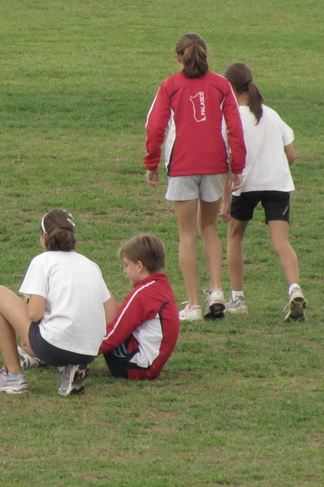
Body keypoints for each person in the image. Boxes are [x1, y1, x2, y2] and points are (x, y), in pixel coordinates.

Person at [144, 33, 247, 322]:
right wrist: (236, 166)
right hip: (214, 163)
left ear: (179, 57)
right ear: (205, 55)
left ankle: (193, 304)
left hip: (182, 164)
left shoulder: (170, 86)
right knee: (209, 228)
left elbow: (155, 128)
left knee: (186, 235)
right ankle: (216, 290)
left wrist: (151, 163)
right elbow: (235, 128)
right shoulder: (221, 84)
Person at [0, 209, 118, 396]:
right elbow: (112, 314)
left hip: (55, 347)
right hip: (89, 351)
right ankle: (67, 368)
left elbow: (34, 314)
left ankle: (13, 377)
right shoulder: (90, 265)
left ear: (44, 236)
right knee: (32, 342)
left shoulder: (43, 261)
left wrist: (29, 301)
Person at [219, 63, 306, 321]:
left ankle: (238, 298)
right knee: (282, 243)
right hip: (277, 185)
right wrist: (277, 170)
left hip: (244, 186)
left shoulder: (231, 119)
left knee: (235, 236)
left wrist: (225, 201)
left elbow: (229, 163)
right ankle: (295, 289)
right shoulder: (271, 114)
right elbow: (291, 154)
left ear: (231, 88)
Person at [99, 234, 180, 380]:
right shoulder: (161, 287)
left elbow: (115, 334)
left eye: (126, 265)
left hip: (134, 366)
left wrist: (82, 351)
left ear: (139, 266)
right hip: (149, 365)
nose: (124, 271)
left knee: (100, 295)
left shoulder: (143, 294)